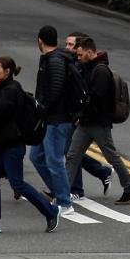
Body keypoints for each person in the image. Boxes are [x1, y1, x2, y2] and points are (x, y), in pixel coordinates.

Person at [0, 56, 59, 234]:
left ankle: (51, 211)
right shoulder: (2, 88)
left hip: (12, 146)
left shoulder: (12, 90)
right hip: (1, 145)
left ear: (7, 72)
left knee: (17, 184)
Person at [62, 36, 130, 204]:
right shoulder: (90, 68)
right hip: (86, 122)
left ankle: (129, 188)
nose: (78, 57)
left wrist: (81, 112)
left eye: (81, 55)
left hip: (98, 123)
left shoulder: (101, 70)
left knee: (112, 156)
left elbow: (97, 98)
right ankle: (63, 192)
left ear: (90, 52)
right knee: (73, 155)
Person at [29, 24, 81, 214]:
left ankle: (64, 202)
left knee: (55, 160)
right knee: (36, 156)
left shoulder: (55, 61)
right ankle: (61, 192)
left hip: (57, 119)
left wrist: (42, 108)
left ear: (40, 41)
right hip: (49, 119)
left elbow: (56, 90)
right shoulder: (51, 59)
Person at [64, 32, 113, 200]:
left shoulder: (85, 67)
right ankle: (101, 172)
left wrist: (80, 114)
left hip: (82, 116)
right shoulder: (75, 63)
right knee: (71, 151)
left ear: (82, 49)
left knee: (71, 151)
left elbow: (89, 95)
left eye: (71, 45)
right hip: (74, 114)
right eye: (67, 44)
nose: (67, 48)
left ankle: (75, 189)